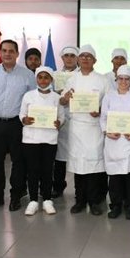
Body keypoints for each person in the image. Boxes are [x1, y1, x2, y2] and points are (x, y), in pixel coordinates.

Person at [0, 39, 35, 212]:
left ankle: (16, 196)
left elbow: (33, 101)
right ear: (0, 53)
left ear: (17, 54)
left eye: (11, 51)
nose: (7, 53)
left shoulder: (27, 75)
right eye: (4, 50)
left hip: (18, 124)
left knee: (18, 162)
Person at [59, 44, 109, 216]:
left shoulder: (103, 80)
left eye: (89, 56)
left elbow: (110, 103)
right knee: (79, 167)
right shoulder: (71, 79)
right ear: (79, 59)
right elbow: (63, 101)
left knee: (94, 166)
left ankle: (95, 201)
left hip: (94, 129)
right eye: (83, 56)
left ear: (95, 60)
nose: (86, 59)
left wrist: (100, 110)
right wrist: (65, 98)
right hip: (77, 127)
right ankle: (80, 201)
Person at [100, 65, 130, 219]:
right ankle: (116, 206)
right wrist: (107, 131)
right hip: (113, 142)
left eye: (127, 79)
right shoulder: (109, 96)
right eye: (121, 79)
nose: (123, 82)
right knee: (115, 178)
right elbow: (103, 117)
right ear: (116, 80)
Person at [20, 67, 66, 216]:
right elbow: (22, 114)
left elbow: (61, 116)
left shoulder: (56, 97)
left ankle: (47, 199)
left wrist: (59, 122)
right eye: (40, 77)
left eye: (46, 77)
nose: (43, 80)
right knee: (32, 170)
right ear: (36, 79)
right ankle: (33, 200)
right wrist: (24, 119)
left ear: (51, 80)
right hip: (31, 139)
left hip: (49, 139)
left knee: (47, 170)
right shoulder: (28, 96)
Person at [52, 45, 79, 198]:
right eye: (66, 55)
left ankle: (79, 190)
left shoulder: (82, 75)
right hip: (60, 118)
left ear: (77, 58)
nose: (69, 58)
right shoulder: (54, 75)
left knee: (78, 155)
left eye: (72, 56)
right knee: (60, 157)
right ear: (62, 58)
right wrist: (58, 95)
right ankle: (58, 186)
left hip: (78, 120)